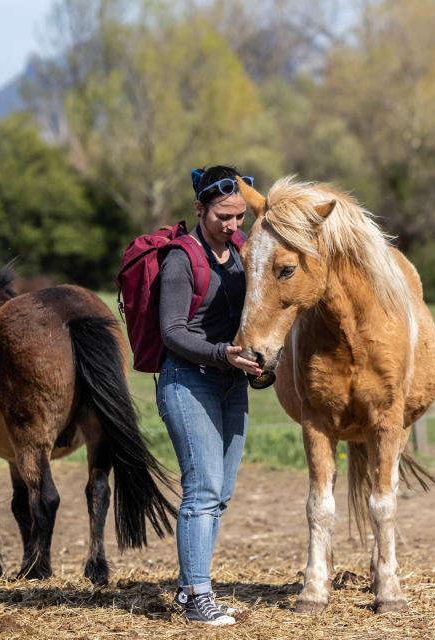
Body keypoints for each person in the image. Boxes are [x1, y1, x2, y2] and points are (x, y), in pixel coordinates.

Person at [157, 165, 262, 626]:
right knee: (201, 490)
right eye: (223, 216)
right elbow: (171, 331)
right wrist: (223, 354)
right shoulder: (182, 258)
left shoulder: (242, 254)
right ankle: (198, 595)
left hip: (231, 381)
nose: (233, 226)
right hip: (188, 378)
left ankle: (190, 588)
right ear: (200, 208)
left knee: (220, 494)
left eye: (239, 217)